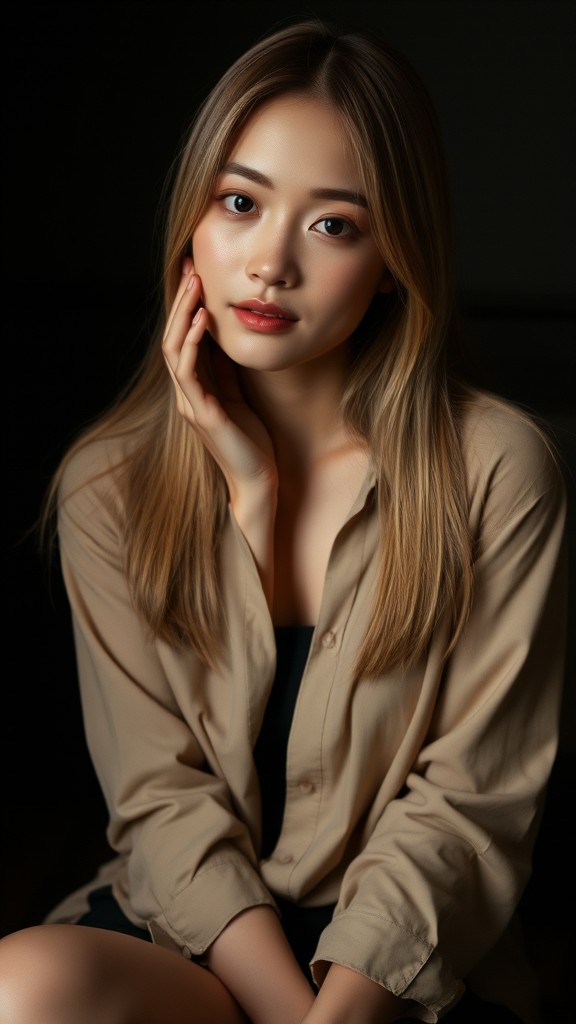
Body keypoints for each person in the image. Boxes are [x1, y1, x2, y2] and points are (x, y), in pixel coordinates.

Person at [0, 17, 567, 1024]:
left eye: (332, 224)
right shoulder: (109, 483)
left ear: (394, 256)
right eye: (240, 202)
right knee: (25, 988)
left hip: (401, 970)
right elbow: (163, 803)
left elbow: (470, 805)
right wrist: (251, 508)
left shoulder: (496, 469)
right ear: (193, 220)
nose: (267, 263)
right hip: (194, 931)